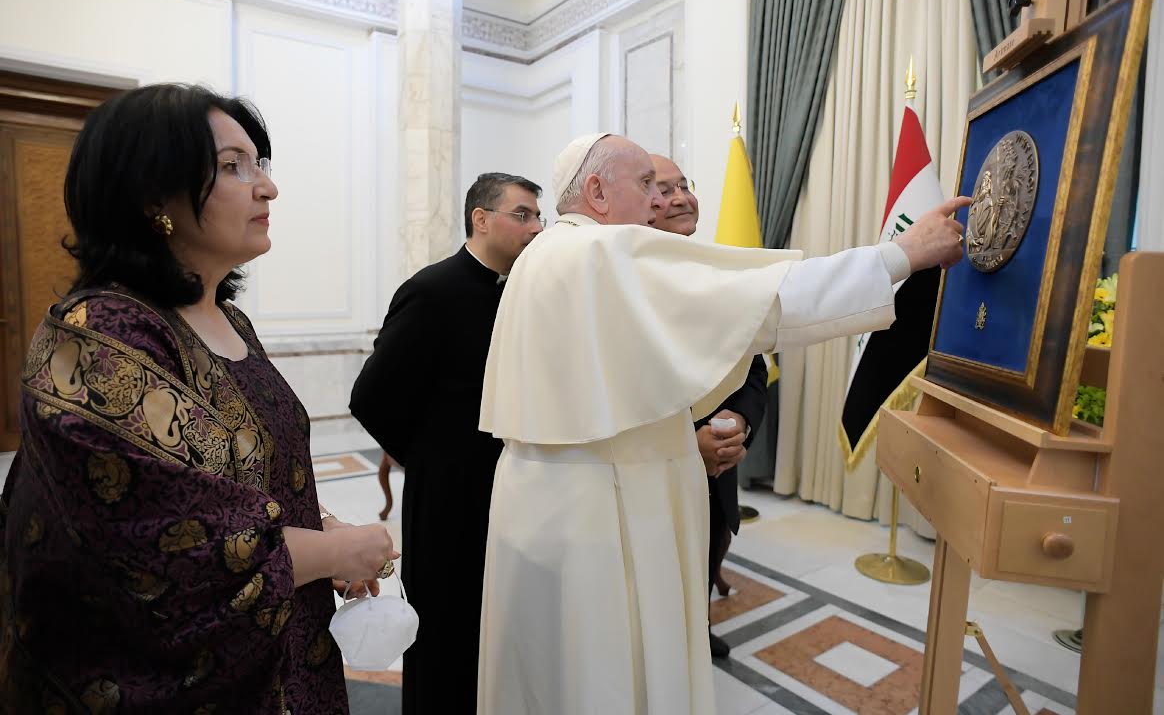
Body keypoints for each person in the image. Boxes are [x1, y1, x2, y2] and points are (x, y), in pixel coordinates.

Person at [476, 133, 969, 714]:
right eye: (646, 185)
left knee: (549, 670)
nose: (657, 201)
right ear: (596, 191)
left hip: (537, 503)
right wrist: (903, 254)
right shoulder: (604, 251)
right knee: (610, 671)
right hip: (603, 510)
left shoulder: (541, 256)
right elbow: (771, 300)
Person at [0, 84, 396, 714]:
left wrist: (321, 531)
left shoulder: (230, 320)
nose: (267, 188)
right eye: (233, 167)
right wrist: (329, 552)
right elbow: (161, 542)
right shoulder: (101, 336)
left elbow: (246, 479)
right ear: (152, 196)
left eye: (260, 164)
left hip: (284, 652)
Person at [350, 173, 544, 715]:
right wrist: (432, 459)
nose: (536, 227)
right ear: (481, 219)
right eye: (523, 215)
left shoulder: (522, 295)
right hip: (447, 499)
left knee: (497, 629)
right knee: (445, 635)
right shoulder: (432, 290)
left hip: (510, 492)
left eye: (538, 216)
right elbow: (371, 396)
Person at [650, 153, 766, 659]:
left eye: (685, 185)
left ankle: (696, 631)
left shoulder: (720, 272)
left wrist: (739, 419)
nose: (681, 198)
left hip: (718, 464)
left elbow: (753, 368)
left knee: (708, 550)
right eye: (664, 189)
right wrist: (684, 441)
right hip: (654, 472)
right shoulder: (622, 280)